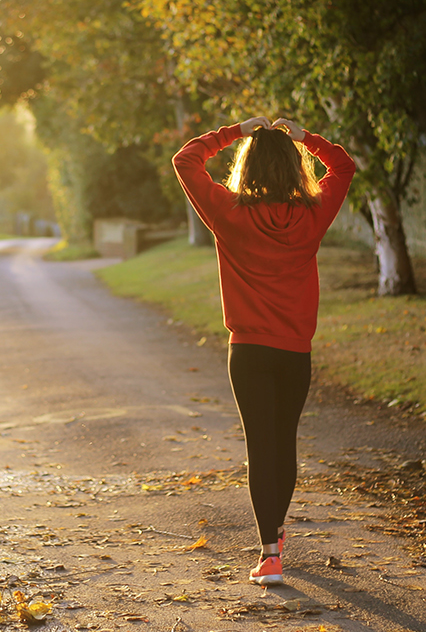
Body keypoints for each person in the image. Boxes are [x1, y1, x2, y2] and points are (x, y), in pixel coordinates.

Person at [172, 115, 356, 586]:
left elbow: (186, 160)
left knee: (261, 446)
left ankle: (270, 553)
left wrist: (235, 131)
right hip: (295, 351)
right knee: (284, 443)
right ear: (295, 169)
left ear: (247, 167)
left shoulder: (229, 213)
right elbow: (344, 165)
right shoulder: (313, 214)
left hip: (248, 351)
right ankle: (274, 536)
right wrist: (305, 138)